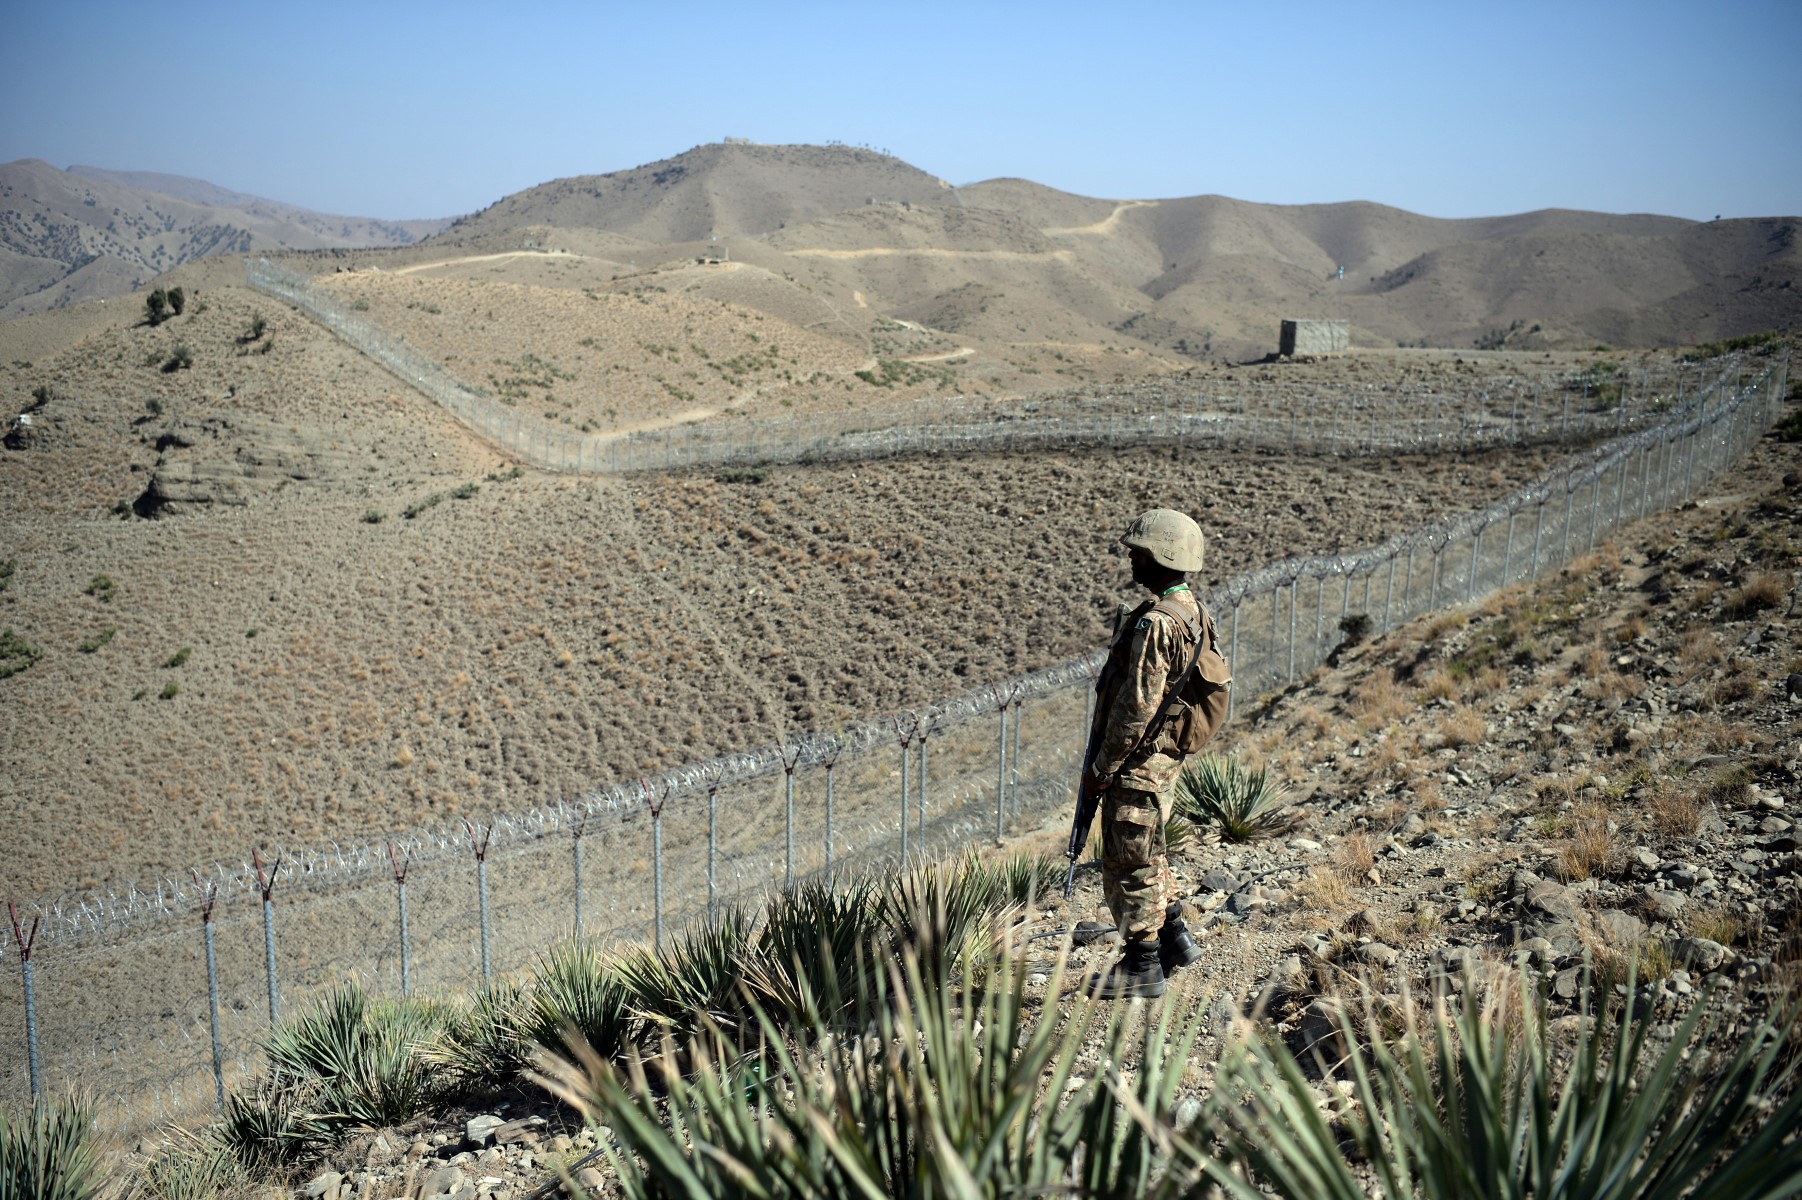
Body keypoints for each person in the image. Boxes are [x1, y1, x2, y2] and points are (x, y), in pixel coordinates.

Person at [1084, 509, 1232, 999]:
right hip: (1162, 758)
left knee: (1130, 860)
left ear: (1163, 557)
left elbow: (1135, 707)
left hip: (1138, 761)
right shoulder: (1194, 611)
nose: (1132, 560)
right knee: (1151, 848)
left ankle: (1143, 965)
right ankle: (1173, 938)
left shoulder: (1157, 623)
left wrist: (1102, 768)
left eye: (1139, 553)